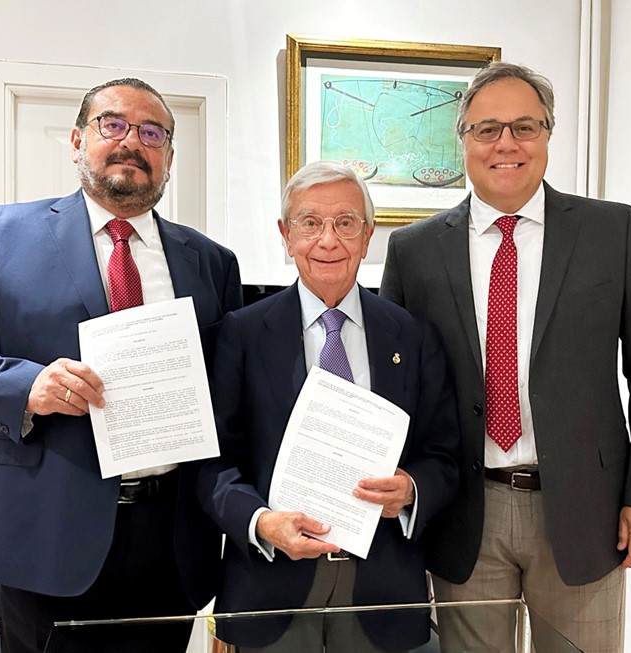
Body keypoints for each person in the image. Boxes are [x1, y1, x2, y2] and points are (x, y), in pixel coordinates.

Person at [0, 78, 242, 653]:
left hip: (170, 540)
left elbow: (230, 390)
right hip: (45, 530)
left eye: (151, 132)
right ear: (77, 140)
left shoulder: (211, 261)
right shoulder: (5, 233)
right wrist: (27, 385)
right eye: (112, 124)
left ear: (168, 155)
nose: (131, 143)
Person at [380, 62, 631, 653]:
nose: (506, 144)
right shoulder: (414, 250)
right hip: (463, 513)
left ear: (548, 135)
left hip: (584, 510)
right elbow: (393, 381)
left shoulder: (609, 230)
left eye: (525, 127)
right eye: (487, 128)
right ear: (462, 138)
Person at [197, 160, 461, 652]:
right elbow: (212, 463)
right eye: (310, 223)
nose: (328, 240)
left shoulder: (414, 335)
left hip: (383, 589)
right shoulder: (242, 333)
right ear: (286, 234)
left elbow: (444, 455)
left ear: (368, 236)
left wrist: (410, 490)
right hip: (269, 587)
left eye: (345, 223)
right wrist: (261, 522)